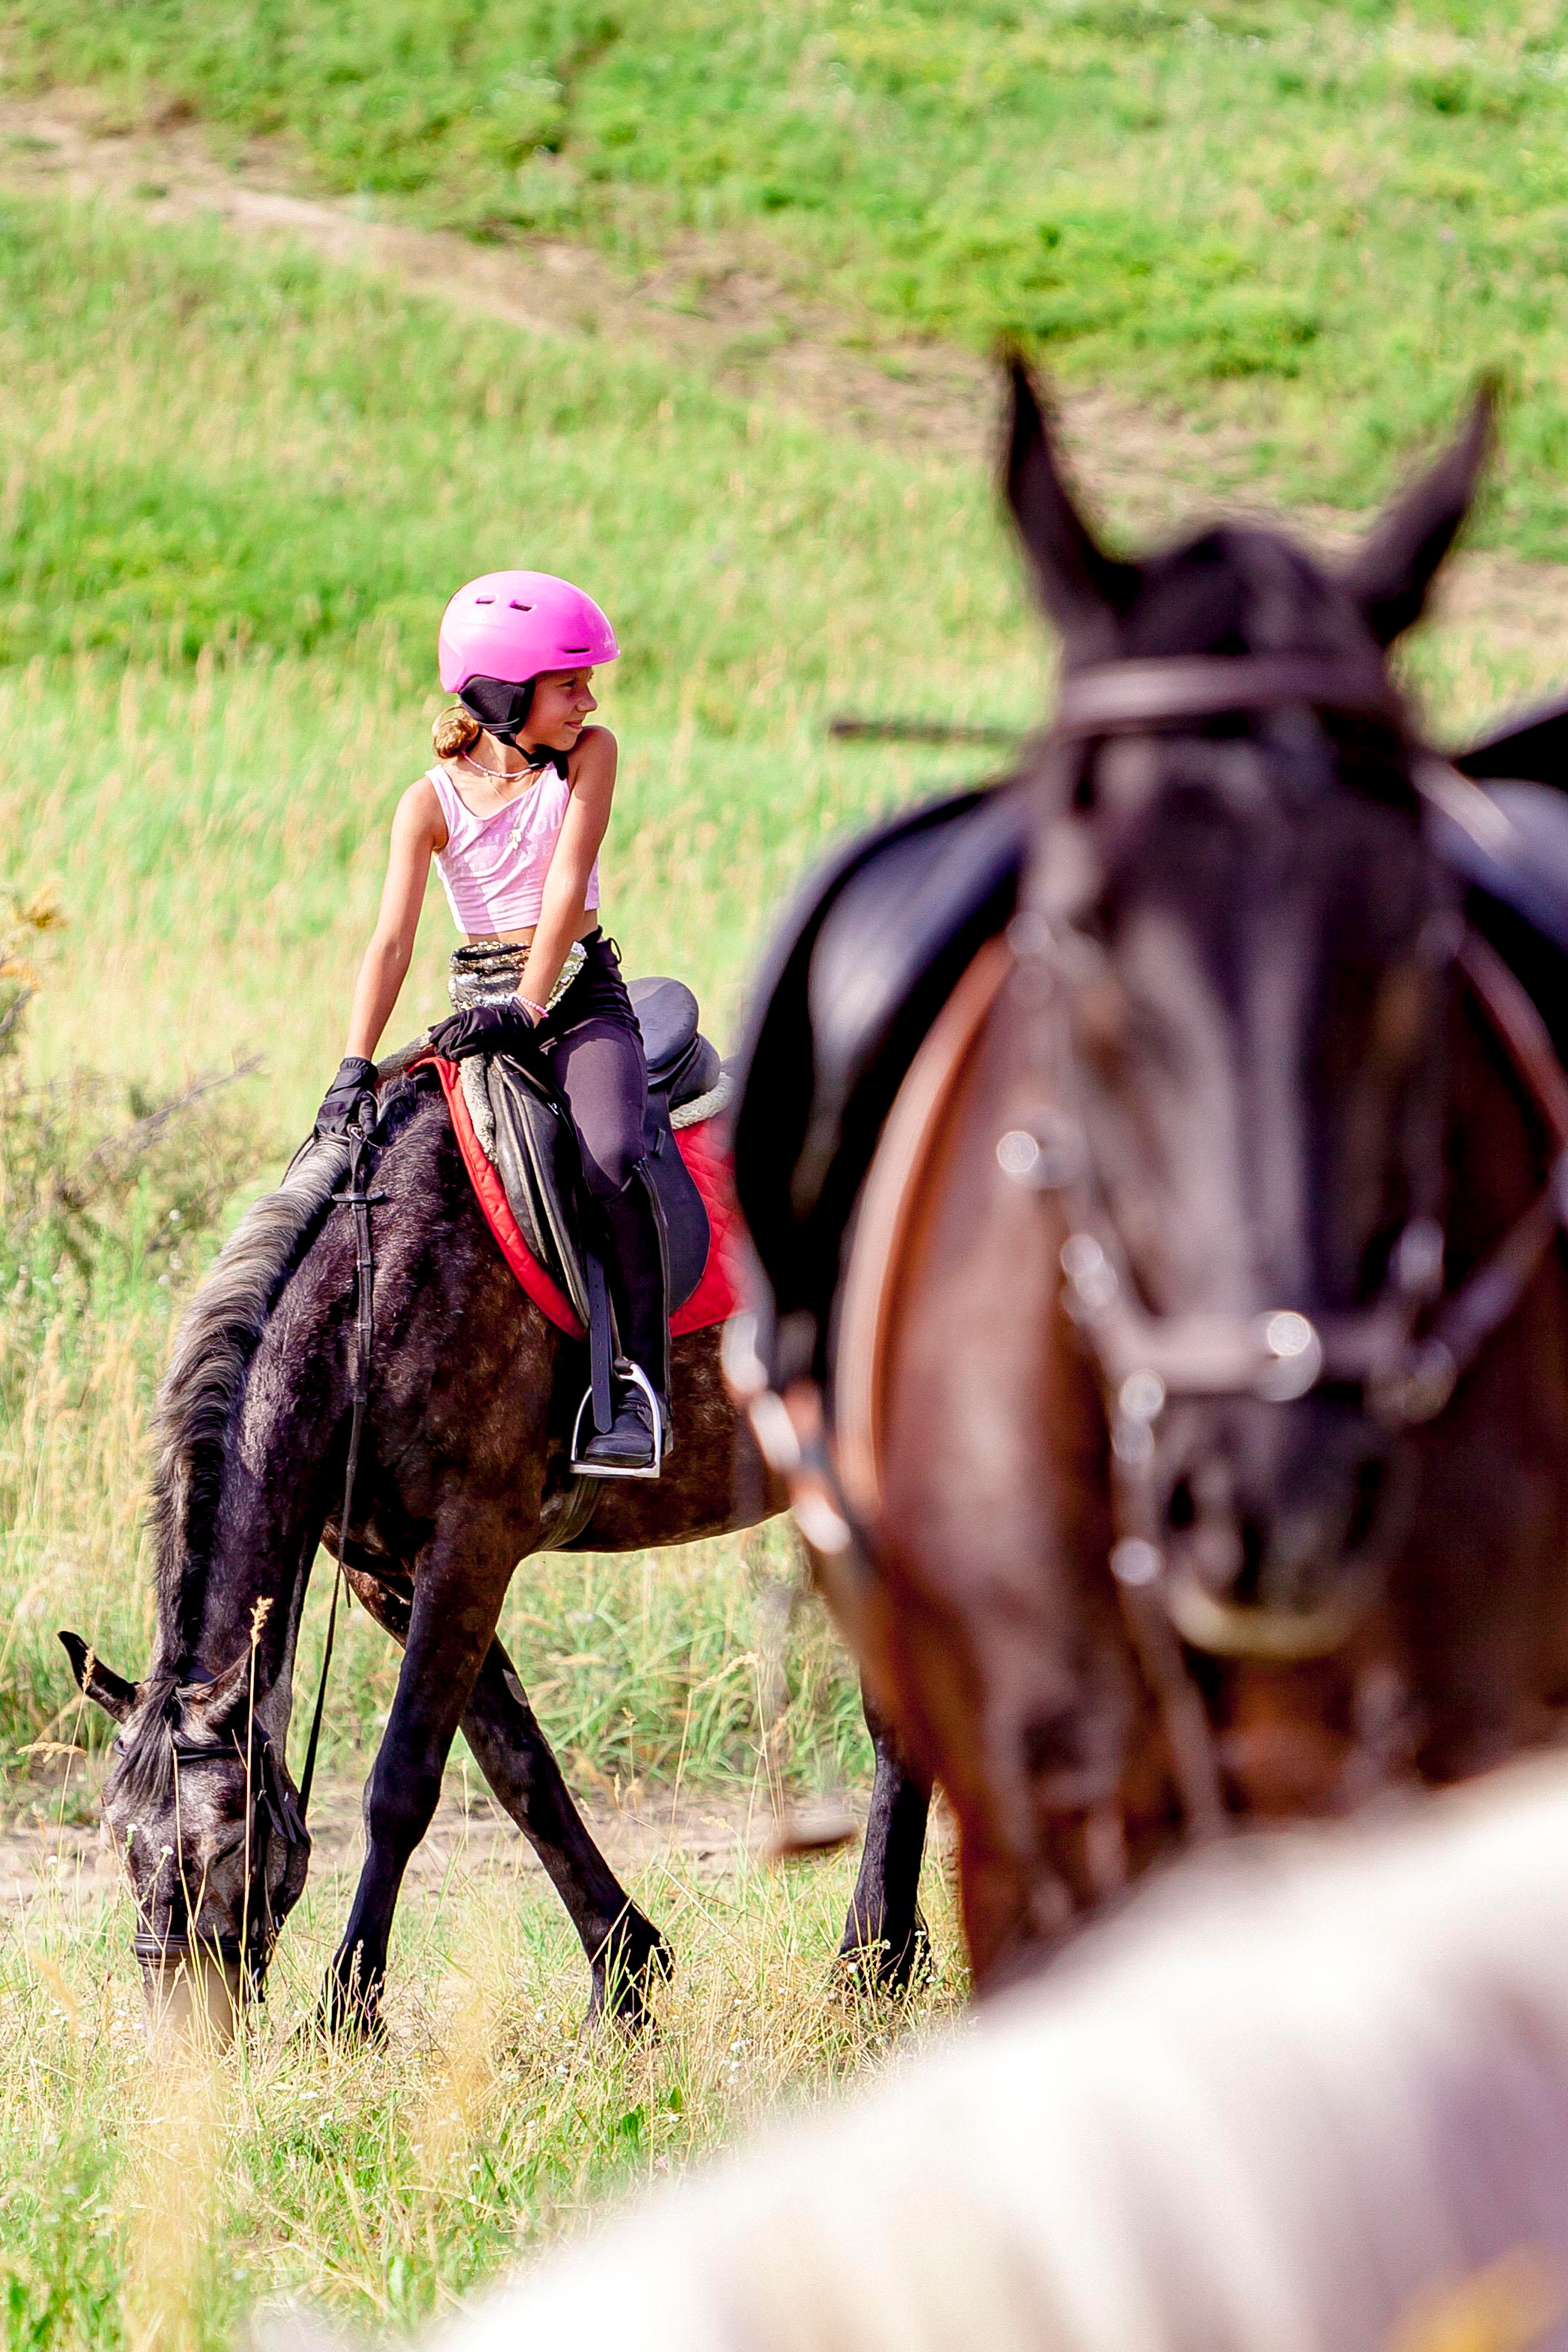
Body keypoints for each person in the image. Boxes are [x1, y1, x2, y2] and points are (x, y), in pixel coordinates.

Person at [313, 570, 669, 1474]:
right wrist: (354, 1062)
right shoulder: (427, 802)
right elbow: (392, 941)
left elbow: (564, 888)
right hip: (479, 1009)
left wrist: (530, 1006)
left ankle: (640, 1385)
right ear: (504, 695)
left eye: (588, 683)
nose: (589, 701)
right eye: (571, 684)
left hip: (575, 1000)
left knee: (610, 1156)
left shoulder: (589, 756)